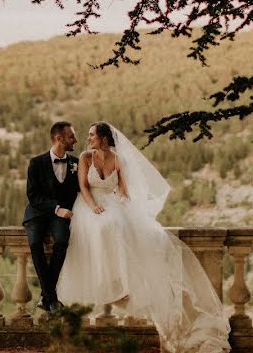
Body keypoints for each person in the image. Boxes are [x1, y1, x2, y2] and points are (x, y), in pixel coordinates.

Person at [57, 122, 231, 353]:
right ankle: (104, 278)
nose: (87, 139)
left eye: (91, 135)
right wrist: (94, 207)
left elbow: (123, 190)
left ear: (104, 138)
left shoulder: (117, 159)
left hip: (112, 202)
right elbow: (83, 187)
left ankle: (124, 278)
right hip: (89, 204)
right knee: (101, 226)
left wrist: (128, 207)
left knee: (120, 224)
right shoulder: (85, 157)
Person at [22, 121, 80, 313]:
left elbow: (80, 190)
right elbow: (33, 195)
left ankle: (46, 297)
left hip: (61, 215)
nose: (75, 140)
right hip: (38, 213)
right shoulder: (36, 163)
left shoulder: (75, 163)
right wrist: (56, 208)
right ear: (59, 138)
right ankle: (52, 299)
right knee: (35, 244)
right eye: (71, 136)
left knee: (62, 241)